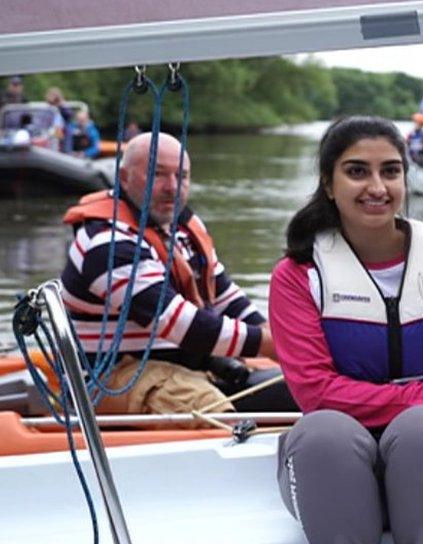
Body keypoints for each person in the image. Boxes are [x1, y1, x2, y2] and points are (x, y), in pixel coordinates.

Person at [270, 116, 423, 544]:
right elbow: (315, 392)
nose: (378, 187)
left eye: (390, 170)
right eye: (357, 171)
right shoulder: (298, 276)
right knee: (322, 432)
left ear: (405, 177)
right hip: (334, 475)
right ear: (328, 183)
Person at [60, 132, 297, 415]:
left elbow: (225, 297)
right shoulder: (106, 242)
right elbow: (180, 324)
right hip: (117, 375)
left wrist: (282, 335)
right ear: (123, 177)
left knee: (298, 393)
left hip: (183, 368)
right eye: (157, 174)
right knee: (219, 416)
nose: (172, 187)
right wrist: (274, 345)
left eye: (181, 176)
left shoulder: (183, 228)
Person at [44, 87, 73, 152]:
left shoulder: (63, 108)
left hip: (62, 134)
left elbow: (69, 115)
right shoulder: (47, 109)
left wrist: (61, 105)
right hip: (51, 133)